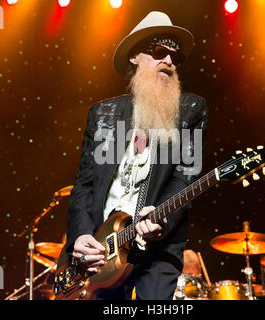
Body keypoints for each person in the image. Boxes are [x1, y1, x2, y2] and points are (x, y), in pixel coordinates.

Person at [66, 11, 207, 300]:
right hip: (101, 251)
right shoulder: (103, 114)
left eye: (175, 57)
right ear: (134, 57)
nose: (168, 61)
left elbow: (185, 177)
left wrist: (162, 218)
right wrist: (80, 236)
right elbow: (84, 185)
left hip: (157, 249)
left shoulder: (191, 110)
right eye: (159, 52)